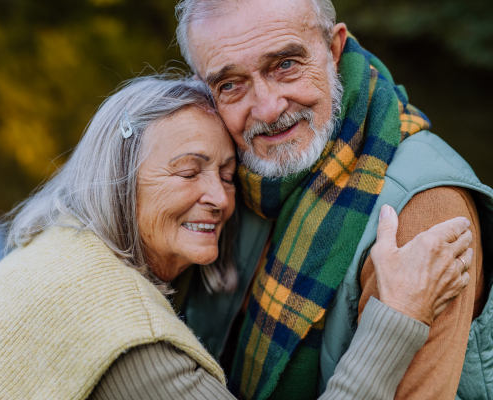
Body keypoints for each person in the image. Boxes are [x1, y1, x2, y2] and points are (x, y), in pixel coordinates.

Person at [0, 77, 473, 400]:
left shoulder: (59, 248)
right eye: (188, 170)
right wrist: (396, 316)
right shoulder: (133, 342)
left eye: (226, 175)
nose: (221, 200)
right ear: (120, 176)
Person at [173, 0, 493, 399]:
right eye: (230, 85)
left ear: (334, 48)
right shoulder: (230, 177)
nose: (269, 109)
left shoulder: (423, 209)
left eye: (286, 64)